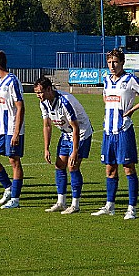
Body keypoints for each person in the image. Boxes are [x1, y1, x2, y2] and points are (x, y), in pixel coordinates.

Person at [91, 48, 139, 220]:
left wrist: (133, 109)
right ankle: (110, 205)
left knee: (128, 168)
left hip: (123, 130)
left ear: (122, 62)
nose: (112, 65)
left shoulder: (130, 79)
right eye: (109, 62)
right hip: (108, 131)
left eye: (115, 62)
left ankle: (131, 208)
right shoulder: (106, 80)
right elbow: (105, 96)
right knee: (110, 168)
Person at [34, 76, 93, 214]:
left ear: (49, 89)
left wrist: (75, 151)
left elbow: (76, 127)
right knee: (59, 165)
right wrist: (46, 148)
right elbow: (47, 125)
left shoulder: (65, 102)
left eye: (40, 92)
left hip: (81, 132)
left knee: (73, 166)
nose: (38, 96)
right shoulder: (44, 103)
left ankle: (75, 204)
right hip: (66, 133)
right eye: (36, 93)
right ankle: (61, 202)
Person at [0, 51, 25, 209]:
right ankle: (8, 188)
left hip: (11, 129)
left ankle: (15, 199)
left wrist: (16, 132)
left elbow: (20, 108)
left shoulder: (12, 81)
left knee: (14, 161)